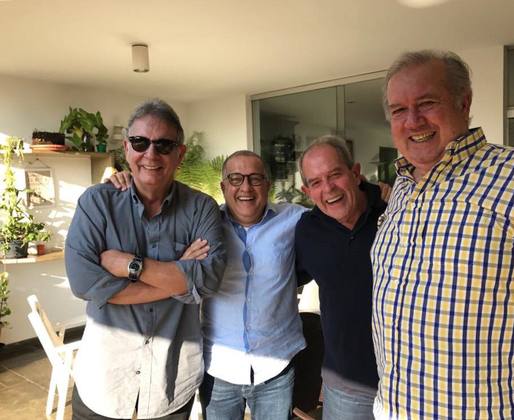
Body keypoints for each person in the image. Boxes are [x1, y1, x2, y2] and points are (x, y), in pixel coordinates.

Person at [108, 150, 307, 419]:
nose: (245, 188)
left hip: (276, 364)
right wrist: (128, 183)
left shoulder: (294, 219)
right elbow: (154, 215)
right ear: (223, 187)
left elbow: (334, 216)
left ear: (267, 185)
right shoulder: (202, 225)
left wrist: (368, 191)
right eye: (235, 179)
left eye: (255, 179)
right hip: (218, 365)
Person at [372, 50, 514, 419]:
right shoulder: (402, 187)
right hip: (391, 408)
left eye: (427, 103)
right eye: (398, 110)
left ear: (463, 102)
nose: (412, 120)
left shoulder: (509, 177)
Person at [65, 98, 226, 419]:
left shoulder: (201, 208)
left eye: (164, 145)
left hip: (171, 381)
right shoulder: (97, 203)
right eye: (140, 142)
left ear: (180, 154)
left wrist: (128, 265)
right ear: (126, 148)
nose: (151, 153)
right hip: (104, 381)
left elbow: (208, 279)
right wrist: (180, 276)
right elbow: (84, 283)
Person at [295, 135, 387, 420]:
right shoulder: (307, 231)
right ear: (307, 191)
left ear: (356, 173)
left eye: (335, 174)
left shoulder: (395, 212)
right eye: (316, 182)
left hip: (410, 379)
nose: (328, 188)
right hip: (347, 386)